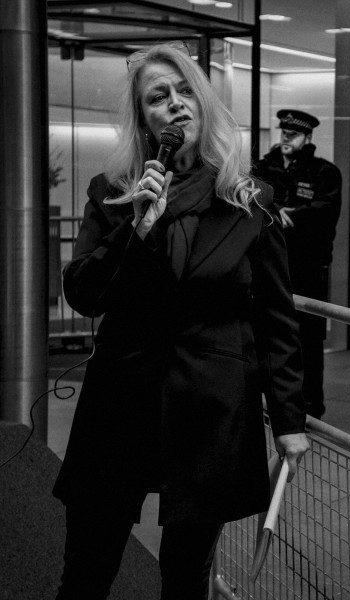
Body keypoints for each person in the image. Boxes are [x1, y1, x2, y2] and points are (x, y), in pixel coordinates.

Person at [52, 41, 310, 600]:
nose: (176, 104)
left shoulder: (250, 200)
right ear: (144, 120)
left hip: (209, 406)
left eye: (186, 90)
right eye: (158, 97)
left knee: (186, 577)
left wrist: (289, 417)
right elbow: (83, 295)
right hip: (121, 402)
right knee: (88, 566)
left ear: (205, 104)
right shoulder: (113, 193)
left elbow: (276, 319)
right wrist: (136, 228)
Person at [254, 109, 342, 419]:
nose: (286, 138)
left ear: (307, 138)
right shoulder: (262, 167)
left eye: (293, 134)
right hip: (268, 265)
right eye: (284, 133)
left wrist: (293, 215)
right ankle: (272, 403)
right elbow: (250, 199)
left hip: (306, 267)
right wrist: (279, 212)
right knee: (269, 335)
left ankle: (310, 406)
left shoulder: (324, 172)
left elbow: (324, 211)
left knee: (308, 340)